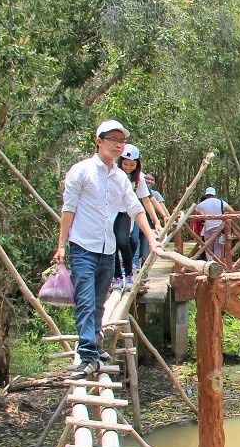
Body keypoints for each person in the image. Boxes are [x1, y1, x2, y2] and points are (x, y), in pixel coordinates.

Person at [53, 120, 161, 375]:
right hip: (82, 246)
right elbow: (68, 210)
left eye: (121, 141)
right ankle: (88, 353)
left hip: (107, 248)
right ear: (99, 141)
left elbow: (135, 208)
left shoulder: (120, 179)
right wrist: (61, 245)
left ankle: (95, 343)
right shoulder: (81, 171)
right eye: (113, 139)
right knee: (85, 300)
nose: (118, 145)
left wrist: (152, 238)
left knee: (100, 301)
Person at [115, 144, 162, 284]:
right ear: (120, 162)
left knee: (126, 242)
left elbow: (146, 200)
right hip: (110, 213)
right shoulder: (112, 173)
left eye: (132, 164)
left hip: (126, 213)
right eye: (125, 164)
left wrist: (156, 221)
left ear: (137, 164)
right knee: (112, 244)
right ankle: (116, 275)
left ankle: (129, 273)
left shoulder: (139, 178)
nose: (128, 167)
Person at [194, 187, 234, 261]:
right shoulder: (221, 202)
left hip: (208, 228)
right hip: (219, 228)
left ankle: (210, 264)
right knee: (218, 248)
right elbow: (232, 211)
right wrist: (223, 215)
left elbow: (195, 214)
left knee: (208, 248)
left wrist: (203, 216)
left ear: (206, 195)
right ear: (214, 194)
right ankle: (218, 263)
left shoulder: (201, 204)